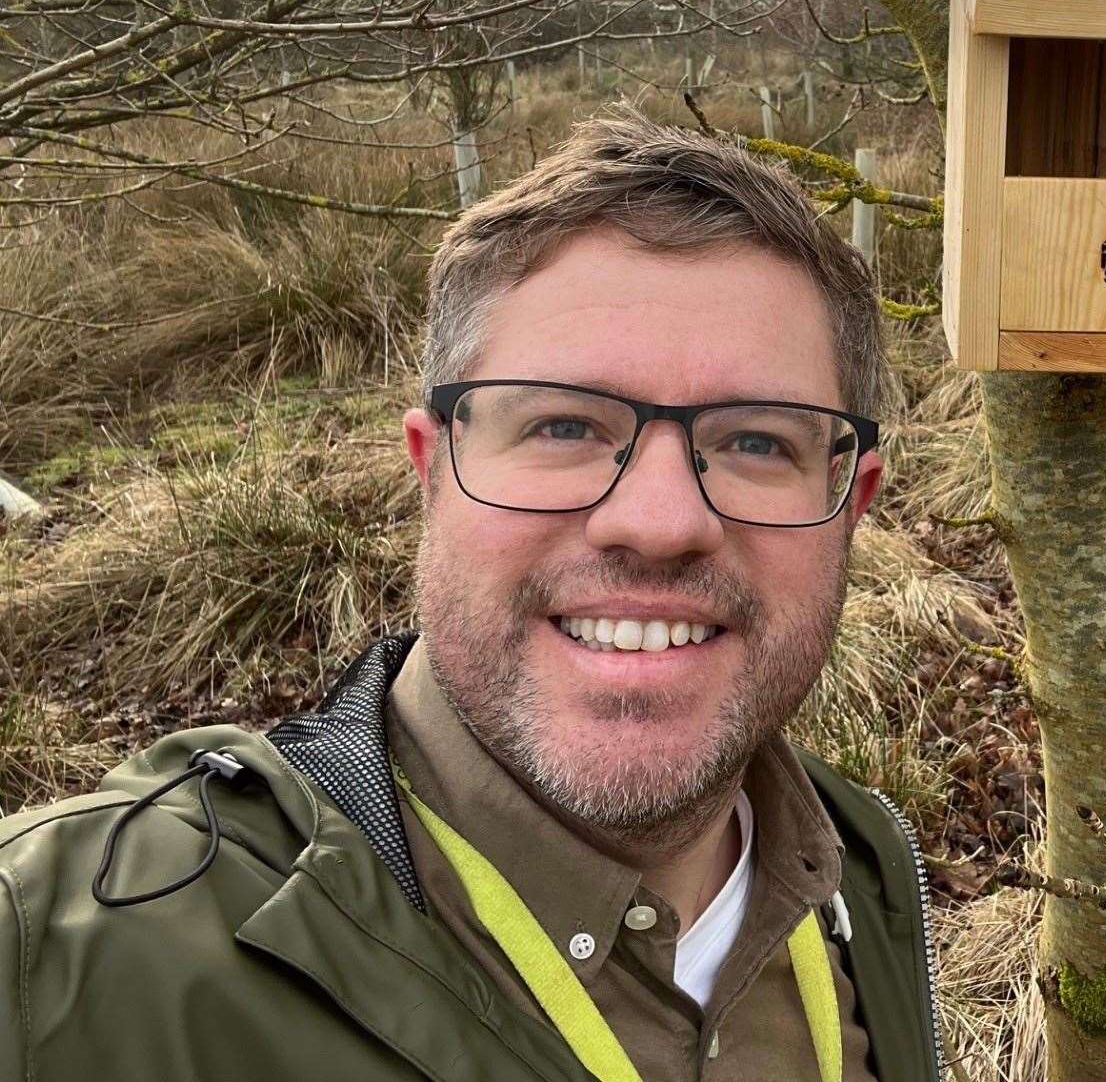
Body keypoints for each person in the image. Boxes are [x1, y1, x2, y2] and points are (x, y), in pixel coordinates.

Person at [0, 118, 944, 1082]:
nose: (659, 522)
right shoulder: (56, 955)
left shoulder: (859, 866)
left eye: (756, 442)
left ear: (851, 504)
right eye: (564, 425)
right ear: (433, 470)